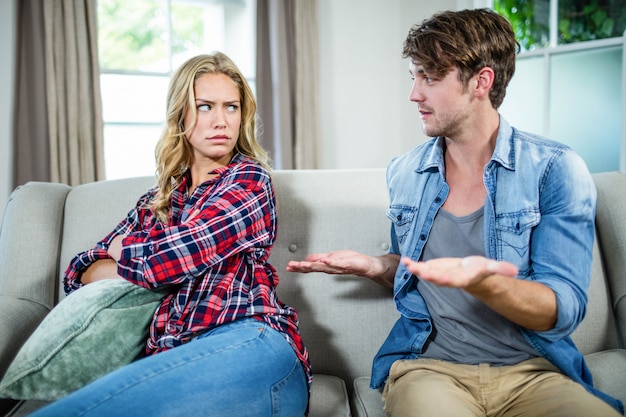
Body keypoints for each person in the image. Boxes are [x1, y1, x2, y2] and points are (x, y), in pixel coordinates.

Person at [287, 8, 623, 417]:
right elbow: (418, 270)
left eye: (430, 77)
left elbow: (563, 308)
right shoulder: (406, 172)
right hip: (431, 370)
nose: (414, 93)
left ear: (481, 81)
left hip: (535, 372)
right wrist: (375, 265)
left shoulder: (555, 169)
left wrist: (487, 285)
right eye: (414, 76)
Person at [32, 52, 310, 417]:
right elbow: (80, 273)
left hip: (249, 340)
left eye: (231, 107)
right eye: (205, 107)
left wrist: (126, 253)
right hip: (173, 353)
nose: (221, 121)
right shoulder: (155, 201)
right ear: (181, 114)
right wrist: (144, 260)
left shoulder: (249, 180)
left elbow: (179, 255)